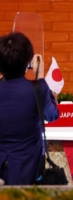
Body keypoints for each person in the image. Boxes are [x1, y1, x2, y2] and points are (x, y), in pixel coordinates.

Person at [0, 32, 59, 185]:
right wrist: (40, 78)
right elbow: (52, 114)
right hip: (28, 170)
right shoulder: (36, 89)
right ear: (28, 61)